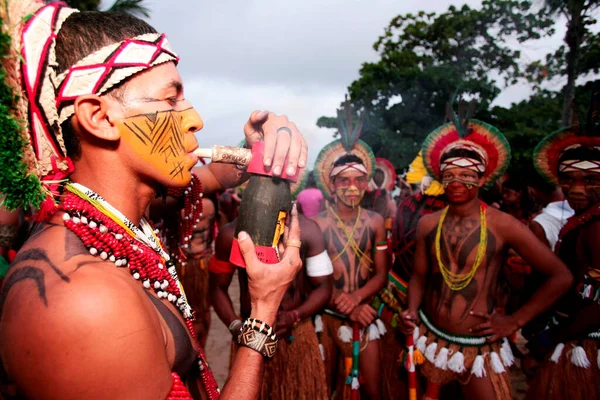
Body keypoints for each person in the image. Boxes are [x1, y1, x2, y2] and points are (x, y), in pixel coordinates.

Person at [0, 2, 308, 399]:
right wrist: (263, 311)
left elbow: (216, 174)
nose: (194, 117)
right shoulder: (81, 299)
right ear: (99, 117)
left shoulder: (122, 217)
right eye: (170, 100)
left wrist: (265, 143)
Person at [399, 115, 572, 400]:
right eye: (450, 173)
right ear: (441, 177)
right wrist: (412, 311)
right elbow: (419, 276)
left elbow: (561, 276)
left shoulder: (502, 224)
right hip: (429, 338)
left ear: (482, 178)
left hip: (476, 345)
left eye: (467, 175)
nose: (457, 181)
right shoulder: (428, 224)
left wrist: (514, 321)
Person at [209, 214, 333, 400]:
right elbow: (217, 288)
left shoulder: (309, 230)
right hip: (249, 335)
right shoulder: (231, 234)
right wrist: (237, 326)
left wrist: (294, 316)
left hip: (297, 334)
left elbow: (324, 287)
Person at [525, 92, 600, 400]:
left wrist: (551, 339)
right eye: (568, 179)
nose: (576, 188)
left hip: (584, 344)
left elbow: (597, 304)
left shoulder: (596, 229)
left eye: (591, 179)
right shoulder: (583, 221)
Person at [312, 107, 388, 399]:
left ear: (367, 184)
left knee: (372, 389)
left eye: (358, 180)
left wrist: (357, 300)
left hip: (366, 314)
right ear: (331, 185)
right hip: (327, 315)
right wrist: (344, 304)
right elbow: (312, 278)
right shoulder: (316, 226)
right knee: (325, 390)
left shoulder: (375, 222)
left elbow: (381, 274)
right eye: (344, 180)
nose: (352, 187)